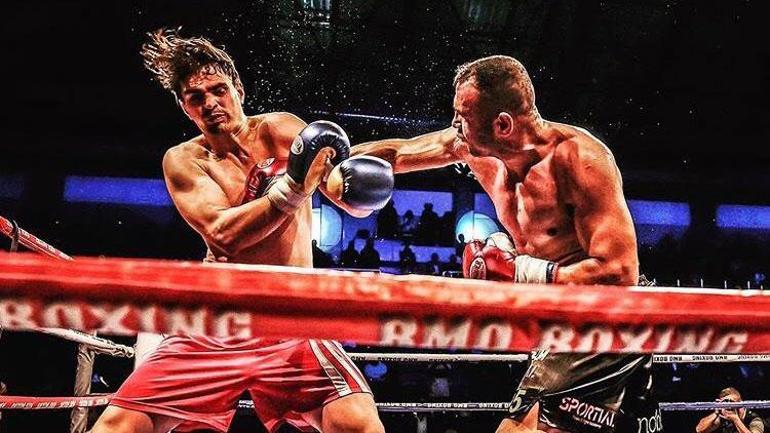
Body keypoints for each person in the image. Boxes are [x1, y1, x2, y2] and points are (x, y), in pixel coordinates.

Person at [90, 29, 392, 433]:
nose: (211, 103)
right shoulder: (184, 160)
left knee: (359, 425)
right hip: (217, 320)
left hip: (288, 318)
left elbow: (338, 174)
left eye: (219, 90)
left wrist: (449, 148)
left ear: (239, 90)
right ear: (185, 107)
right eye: (196, 97)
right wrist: (293, 189)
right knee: (118, 427)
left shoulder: (279, 129)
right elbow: (223, 234)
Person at [352, 55, 645, 433]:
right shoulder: (474, 149)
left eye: (463, 117)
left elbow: (620, 272)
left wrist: (520, 271)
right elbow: (398, 154)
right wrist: (327, 160)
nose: (454, 126)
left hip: (602, 320)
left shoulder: (580, 160)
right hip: (556, 319)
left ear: (503, 125)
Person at [696, 387, 765, 433]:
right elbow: (699, 430)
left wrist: (736, 419)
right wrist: (716, 412)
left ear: (740, 403)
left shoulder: (754, 419)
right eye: (726, 403)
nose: (729, 406)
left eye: (732, 402)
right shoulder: (724, 416)